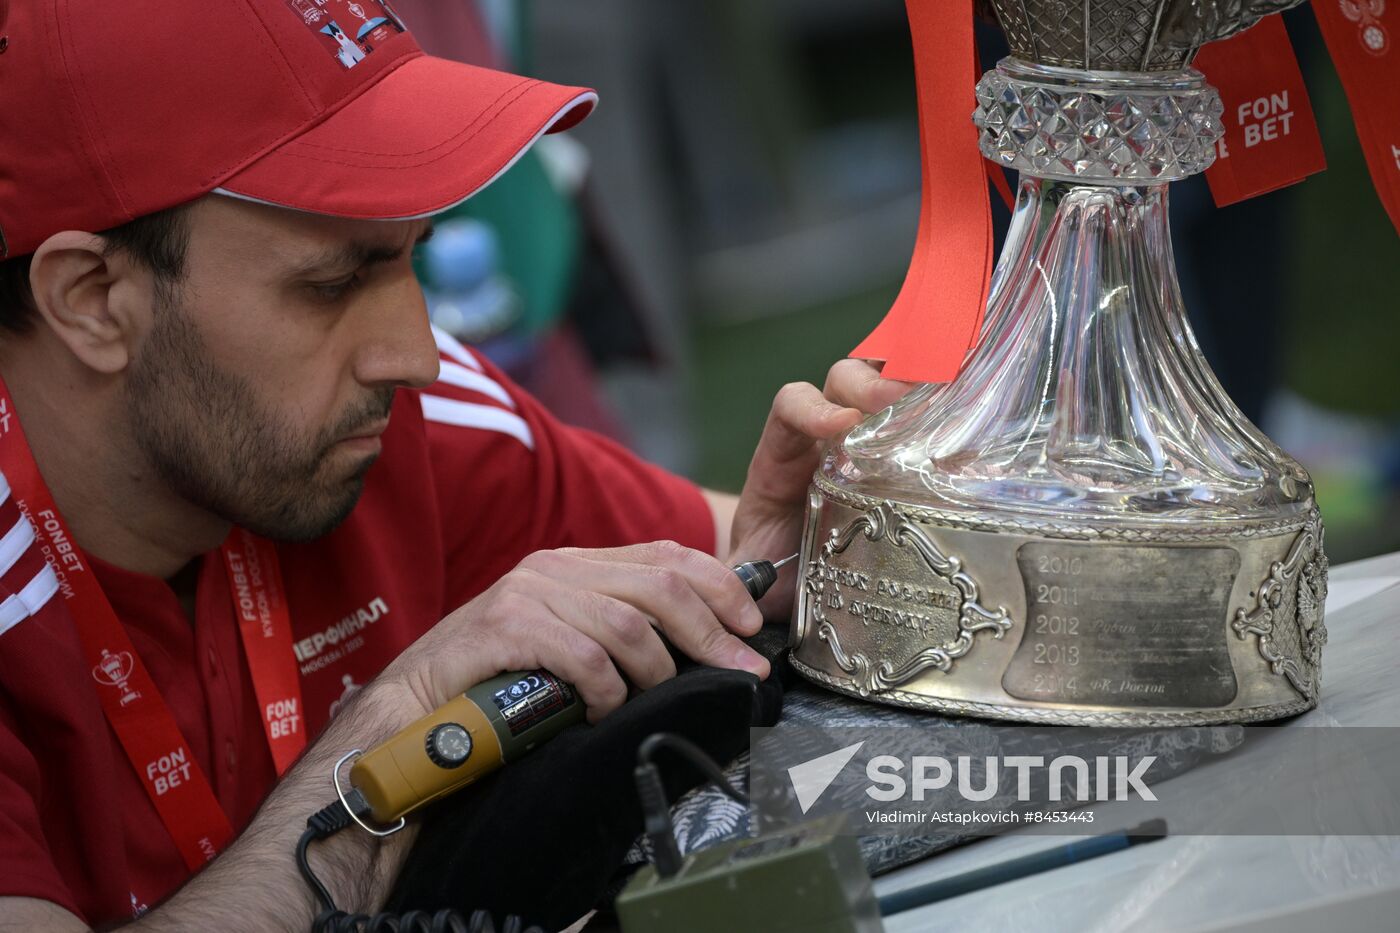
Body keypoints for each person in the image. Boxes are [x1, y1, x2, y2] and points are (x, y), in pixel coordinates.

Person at [0, 2, 909, 931]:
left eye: (411, 257)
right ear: (92, 300)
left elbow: (759, 554)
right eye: (332, 283)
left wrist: (784, 573)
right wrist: (395, 735)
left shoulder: (406, 422)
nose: (419, 354)